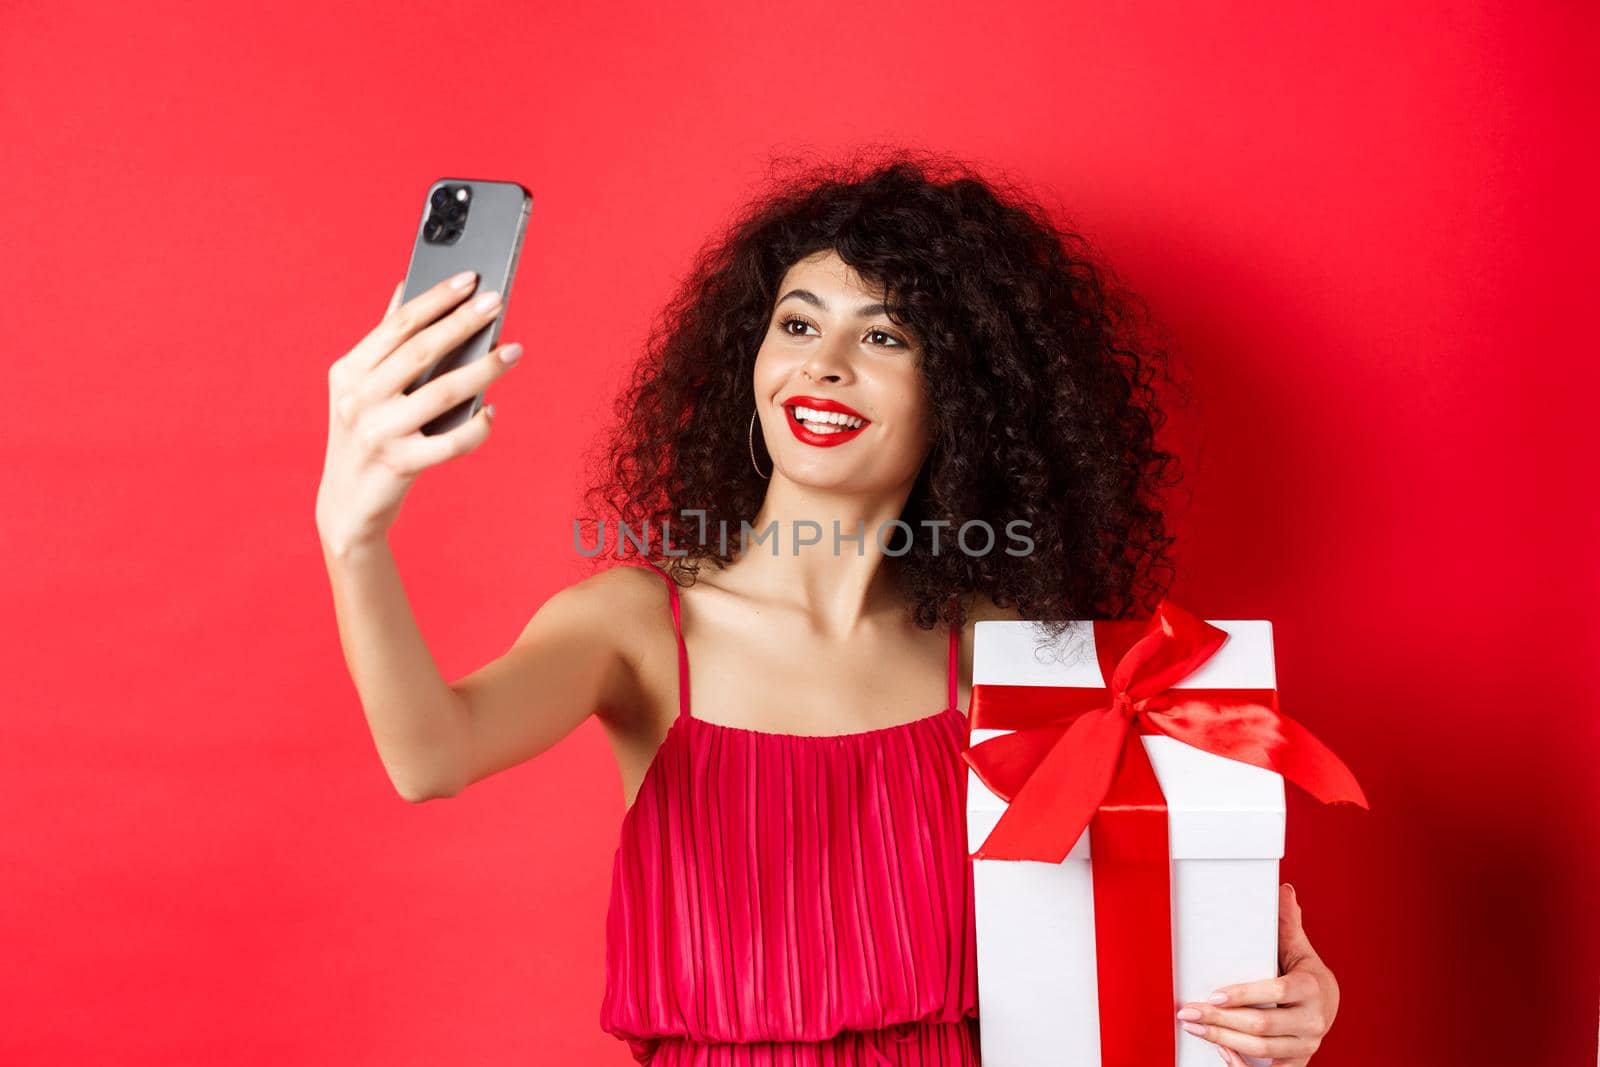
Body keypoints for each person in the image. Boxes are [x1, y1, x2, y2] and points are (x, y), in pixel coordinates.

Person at [315, 151, 1341, 1066]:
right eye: (797, 322)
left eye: (884, 334)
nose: (822, 364)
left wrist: (1278, 1002)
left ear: (967, 396)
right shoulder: (634, 626)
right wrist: (352, 537)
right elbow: (430, 756)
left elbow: (1117, 947)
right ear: (748, 362)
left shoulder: (1019, 652)